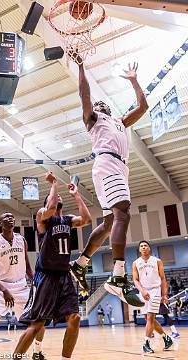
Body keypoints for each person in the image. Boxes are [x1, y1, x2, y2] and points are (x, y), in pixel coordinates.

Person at [69, 52, 148, 307]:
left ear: (110, 109)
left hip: (118, 168)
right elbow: (85, 95)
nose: (99, 105)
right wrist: (81, 66)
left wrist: (134, 81)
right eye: (97, 105)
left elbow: (143, 107)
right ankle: (118, 276)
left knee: (110, 221)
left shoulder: (119, 122)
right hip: (107, 162)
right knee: (123, 213)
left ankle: (80, 264)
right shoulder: (93, 120)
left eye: (104, 104)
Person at [13, 171, 92, 360]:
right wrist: (54, 183)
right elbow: (50, 207)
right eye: (54, 197)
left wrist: (76, 195)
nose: (58, 198)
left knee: (75, 318)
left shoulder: (67, 220)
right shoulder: (43, 217)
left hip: (64, 276)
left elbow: (87, 219)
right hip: (46, 276)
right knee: (38, 323)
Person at [0, 213, 46, 360]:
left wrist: (37, 282)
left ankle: (37, 352)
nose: (10, 218)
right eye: (6, 217)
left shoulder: (21, 240)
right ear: (0, 223)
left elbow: (28, 268)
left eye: (12, 217)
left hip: (22, 287)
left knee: (38, 321)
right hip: (1, 288)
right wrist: (4, 290)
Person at [132, 240, 173, 353]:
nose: (144, 247)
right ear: (139, 249)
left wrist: (164, 294)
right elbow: (135, 280)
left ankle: (146, 343)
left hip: (155, 290)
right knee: (148, 319)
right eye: (141, 246)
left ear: (149, 248)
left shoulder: (157, 261)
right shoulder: (136, 263)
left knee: (150, 317)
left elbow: (163, 278)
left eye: (146, 245)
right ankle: (167, 338)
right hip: (143, 292)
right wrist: (142, 290)